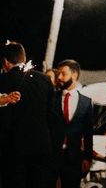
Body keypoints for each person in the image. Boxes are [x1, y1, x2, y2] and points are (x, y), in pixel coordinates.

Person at [0, 41, 54, 188]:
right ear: (23, 58)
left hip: (12, 150)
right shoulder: (45, 79)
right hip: (41, 148)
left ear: (5, 62)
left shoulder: (3, 80)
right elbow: (53, 116)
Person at [49, 59, 94, 188]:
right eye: (59, 74)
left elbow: (88, 133)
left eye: (63, 74)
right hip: (52, 155)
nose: (60, 77)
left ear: (74, 75)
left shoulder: (86, 102)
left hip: (74, 157)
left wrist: (87, 158)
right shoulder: (52, 97)